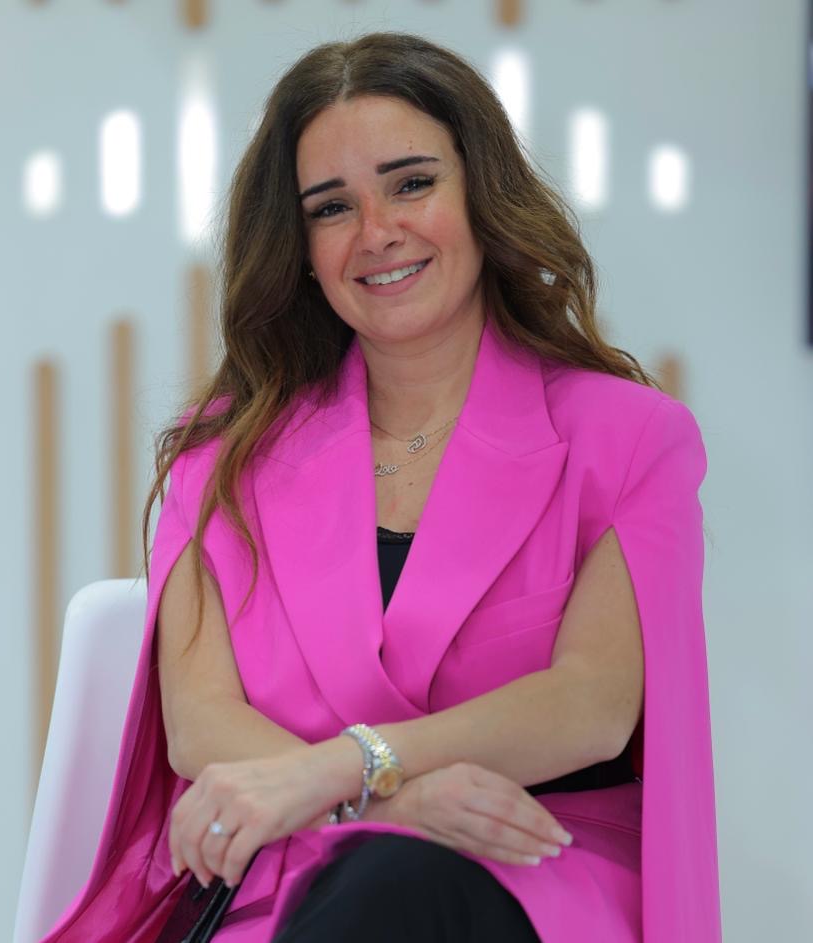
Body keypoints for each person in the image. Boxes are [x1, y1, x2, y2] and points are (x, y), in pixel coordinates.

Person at [39, 32, 721, 943]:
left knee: (399, 889)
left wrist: (345, 768)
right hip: (293, 873)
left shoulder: (630, 438)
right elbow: (200, 723)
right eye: (332, 207)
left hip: (531, 871)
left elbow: (591, 703)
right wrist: (389, 801)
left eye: (411, 183)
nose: (377, 232)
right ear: (301, 247)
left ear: (482, 193)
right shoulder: (223, 454)